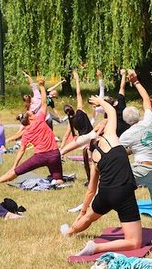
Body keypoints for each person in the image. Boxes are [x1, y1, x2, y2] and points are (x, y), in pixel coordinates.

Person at [60, 97, 142, 257]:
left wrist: (83, 211)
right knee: (134, 242)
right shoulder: (111, 136)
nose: (103, 123)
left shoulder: (94, 157)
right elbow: (111, 111)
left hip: (105, 194)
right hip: (123, 192)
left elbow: (91, 189)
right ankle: (95, 248)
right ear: (100, 131)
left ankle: (69, 232)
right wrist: (100, 101)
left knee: (90, 218)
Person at [0, 77, 63, 187]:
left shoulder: (27, 132)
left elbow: (21, 151)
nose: (33, 113)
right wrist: (42, 86)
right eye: (31, 114)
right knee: (59, 180)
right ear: (30, 119)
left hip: (40, 157)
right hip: (55, 154)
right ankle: (55, 181)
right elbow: (44, 103)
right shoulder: (40, 120)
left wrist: (14, 166)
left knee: (15, 173)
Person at [118, 70, 152, 210]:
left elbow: (118, 153)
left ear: (125, 121)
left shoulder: (126, 136)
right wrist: (136, 81)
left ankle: (122, 203)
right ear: (139, 115)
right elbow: (146, 100)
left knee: (117, 184)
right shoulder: (149, 120)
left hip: (141, 168)